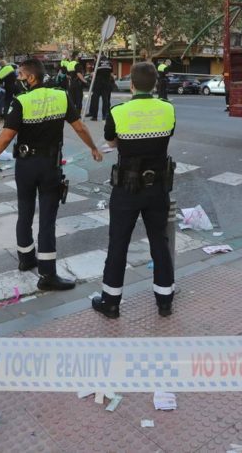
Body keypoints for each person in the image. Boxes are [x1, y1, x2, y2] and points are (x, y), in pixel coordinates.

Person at [0, 59, 103, 290]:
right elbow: (79, 127)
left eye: (21, 75)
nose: (19, 80)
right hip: (49, 166)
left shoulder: (21, 101)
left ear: (31, 78)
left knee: (24, 211)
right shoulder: (61, 96)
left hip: (25, 166)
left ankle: (26, 259)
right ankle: (47, 274)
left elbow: (6, 136)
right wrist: (93, 147)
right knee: (47, 220)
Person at [92, 62, 176, 319]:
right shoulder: (167, 108)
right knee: (159, 243)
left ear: (131, 85)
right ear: (154, 84)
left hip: (127, 188)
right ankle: (164, 302)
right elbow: (168, 133)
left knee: (118, 244)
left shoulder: (119, 112)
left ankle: (111, 303)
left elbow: (111, 141)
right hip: (158, 187)